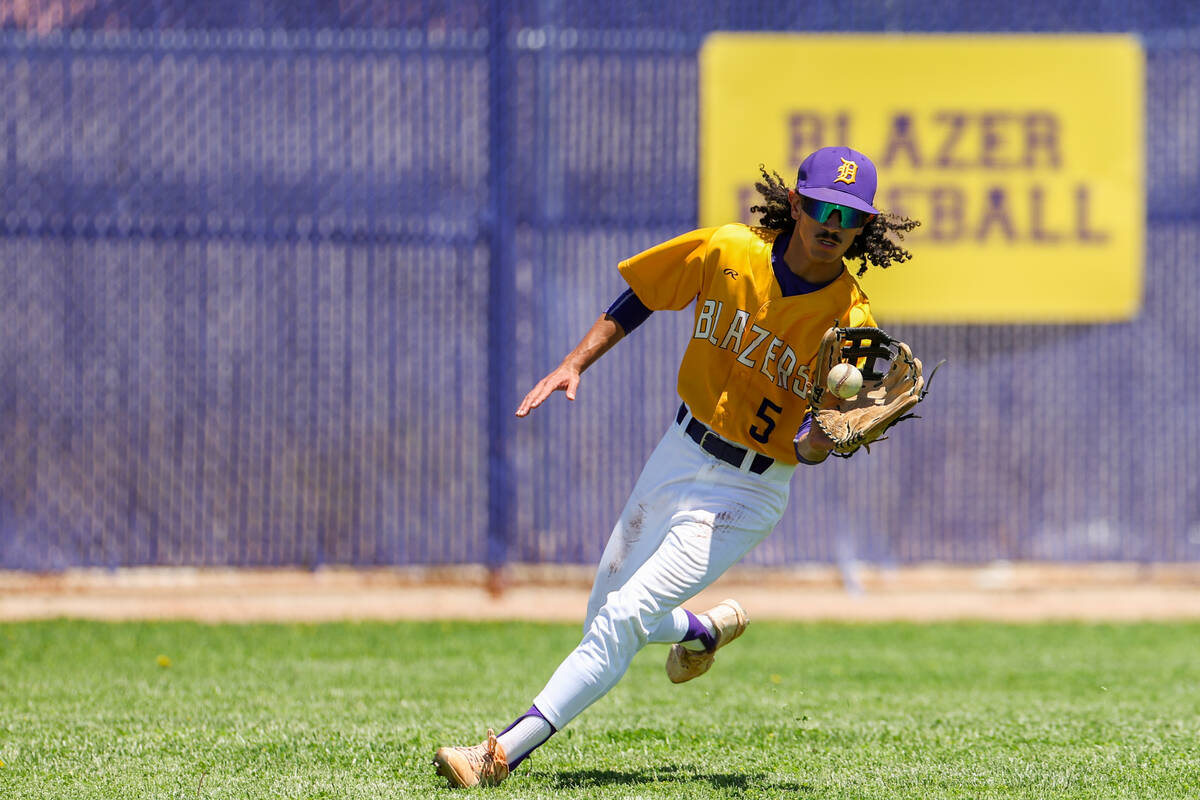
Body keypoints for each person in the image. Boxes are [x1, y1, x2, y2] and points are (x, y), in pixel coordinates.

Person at [433, 146, 919, 788]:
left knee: (625, 616)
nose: (834, 222)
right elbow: (644, 293)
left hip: (748, 490)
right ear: (797, 204)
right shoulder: (729, 250)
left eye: (850, 215)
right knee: (605, 615)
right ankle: (700, 631)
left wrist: (829, 435)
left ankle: (499, 753)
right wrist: (576, 361)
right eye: (824, 206)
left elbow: (806, 448)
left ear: (865, 228)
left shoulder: (852, 324)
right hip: (678, 450)